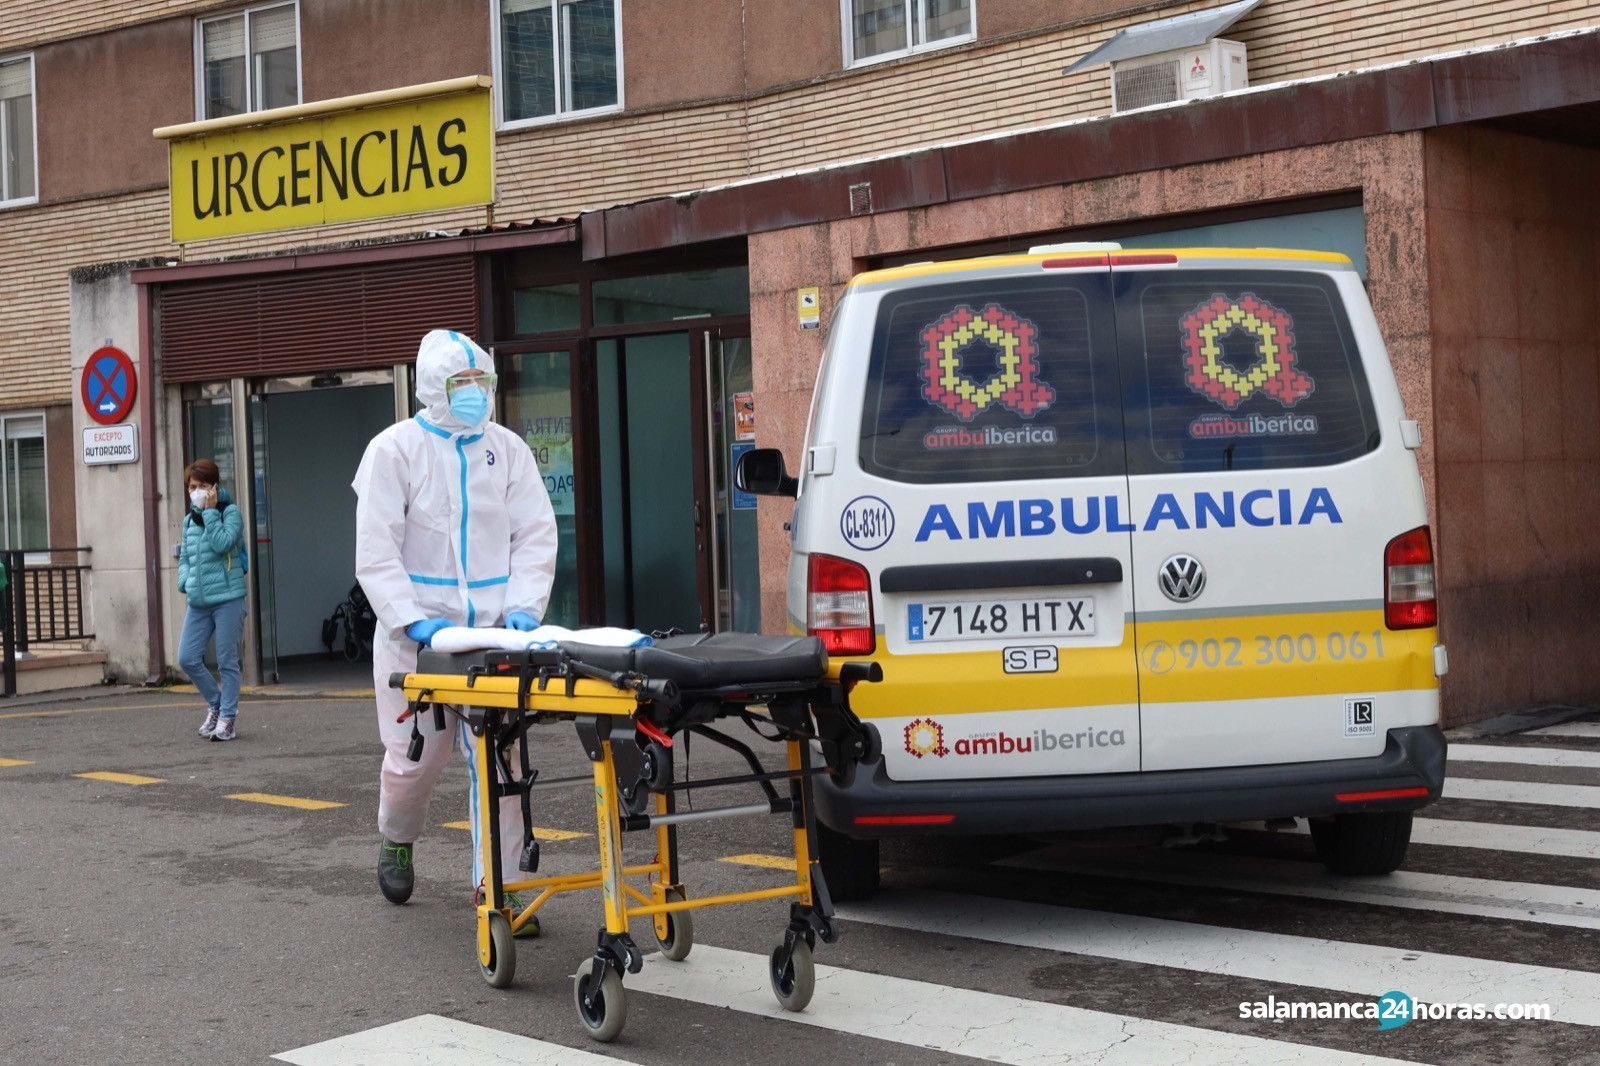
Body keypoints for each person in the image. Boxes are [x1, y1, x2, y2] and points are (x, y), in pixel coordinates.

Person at [353, 329, 557, 915]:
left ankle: (501, 890)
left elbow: (535, 535)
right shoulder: (394, 452)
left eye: (481, 381)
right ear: (431, 388)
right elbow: (376, 550)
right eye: (460, 383)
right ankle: (397, 838)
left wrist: (523, 609)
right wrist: (410, 620)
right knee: (415, 760)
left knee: (503, 761)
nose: (473, 393)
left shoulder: (508, 450)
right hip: (417, 641)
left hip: (494, 636)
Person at [177, 458, 249, 742]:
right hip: (198, 600)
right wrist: (185, 580)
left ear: (214, 487)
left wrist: (209, 512)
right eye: (192, 487)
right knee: (187, 657)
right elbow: (184, 557)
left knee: (226, 661)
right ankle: (217, 705)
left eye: (202, 486)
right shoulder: (187, 521)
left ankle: (228, 718)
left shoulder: (230, 513)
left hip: (227, 598)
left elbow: (221, 544)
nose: (195, 492)